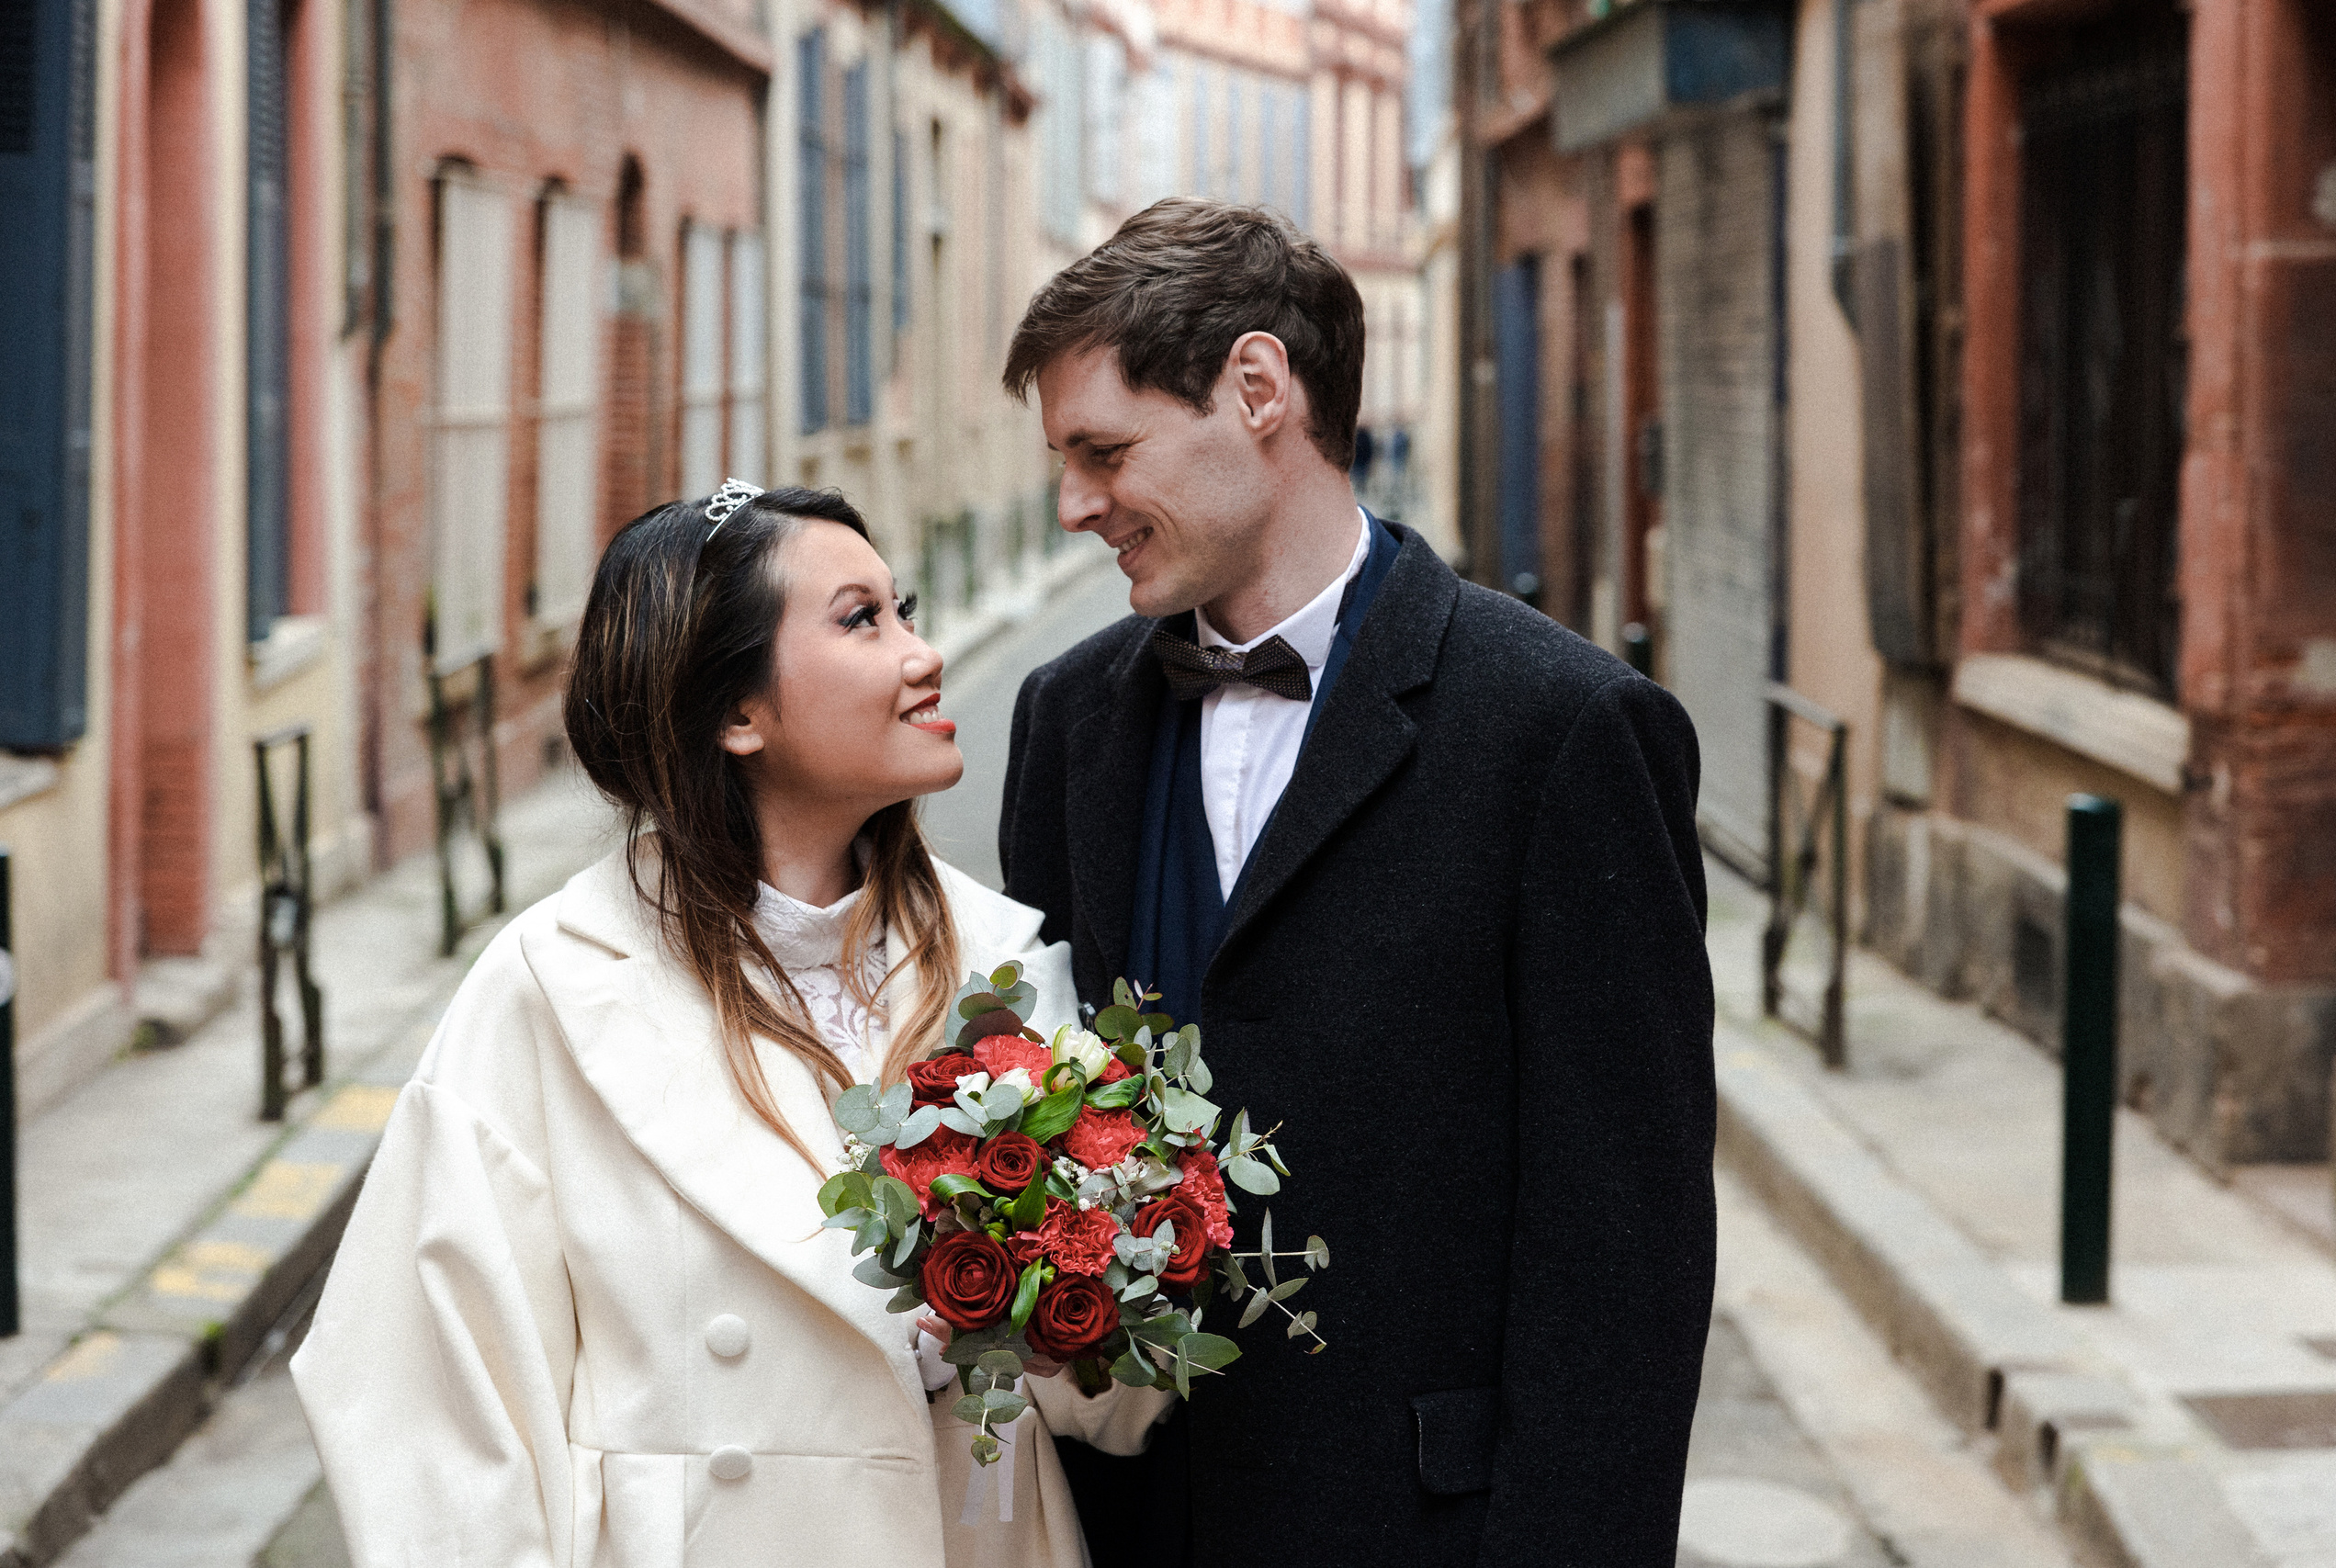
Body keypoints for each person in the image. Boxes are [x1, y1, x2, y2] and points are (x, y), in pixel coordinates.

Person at [997, 199, 1717, 1565]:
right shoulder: (1069, 718)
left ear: (1258, 389)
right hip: (1125, 1521)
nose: (1075, 504)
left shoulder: (1562, 729)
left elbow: (1625, 1253)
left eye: (1104, 450)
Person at [293, 485, 1163, 1568]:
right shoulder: (551, 988)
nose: (922, 654)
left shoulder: (1002, 967)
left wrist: (1047, 1320)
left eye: (905, 609)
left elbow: (1119, 1405)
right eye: (862, 620)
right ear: (736, 714)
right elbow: (425, 1411)